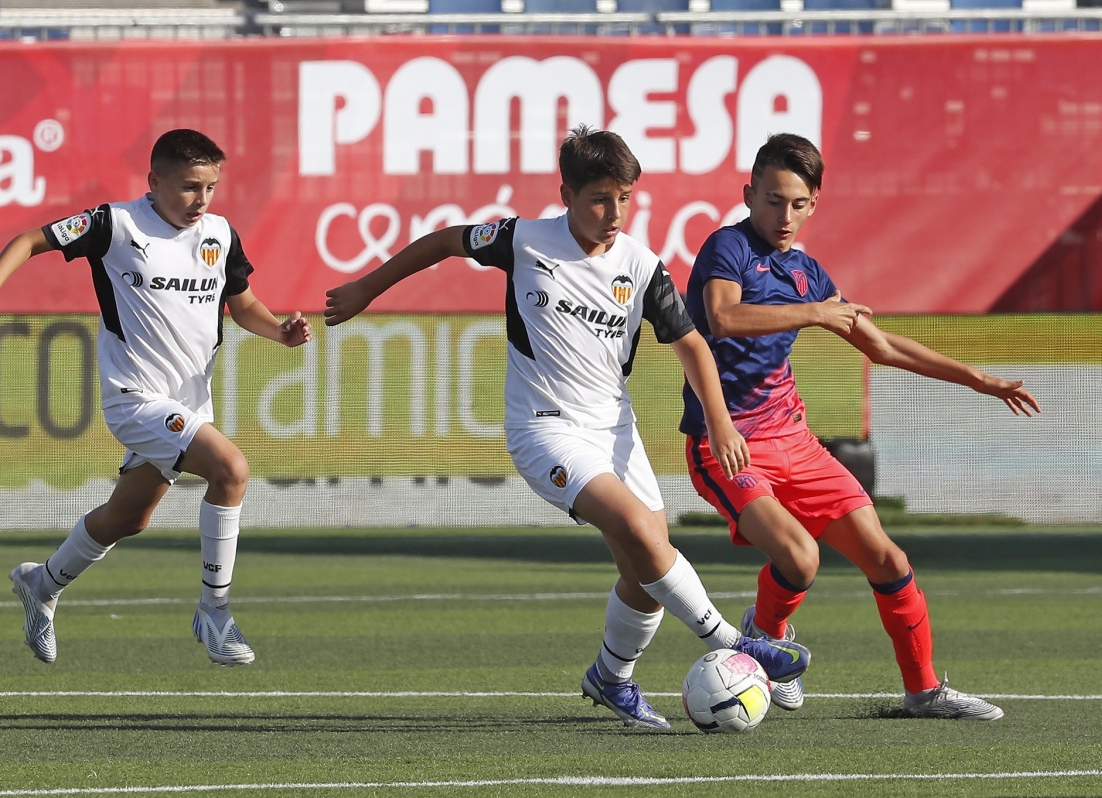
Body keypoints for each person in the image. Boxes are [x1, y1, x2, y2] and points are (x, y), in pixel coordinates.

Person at [325, 125, 811, 729]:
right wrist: (366, 289)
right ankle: (733, 644)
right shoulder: (523, 239)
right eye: (600, 199)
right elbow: (444, 241)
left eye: (625, 198)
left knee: (643, 570)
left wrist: (720, 420)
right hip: (545, 429)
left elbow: (691, 343)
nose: (614, 213)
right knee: (640, 530)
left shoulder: (641, 265)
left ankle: (611, 678)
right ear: (567, 194)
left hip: (616, 431)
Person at [681, 133, 1041, 720]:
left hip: (795, 441)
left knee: (889, 561)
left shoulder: (808, 273)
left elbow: (880, 346)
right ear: (749, 196)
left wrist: (976, 378)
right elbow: (721, 318)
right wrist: (817, 312)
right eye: (773, 200)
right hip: (729, 444)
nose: (785, 215)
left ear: (814, 204)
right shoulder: (728, 248)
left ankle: (923, 692)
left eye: (798, 204)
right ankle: (768, 640)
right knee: (800, 559)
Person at [3, 129, 312, 667]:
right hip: (135, 399)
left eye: (211, 187)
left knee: (128, 518)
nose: (202, 200)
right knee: (231, 470)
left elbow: (242, 305)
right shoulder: (115, 225)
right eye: (190, 187)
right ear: (155, 181)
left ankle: (42, 583)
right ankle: (215, 612)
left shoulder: (218, 234)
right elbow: (30, 240)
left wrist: (279, 332)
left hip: (188, 405)